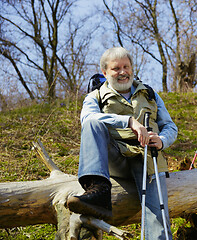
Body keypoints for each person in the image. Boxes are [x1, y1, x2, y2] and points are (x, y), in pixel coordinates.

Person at [67, 46, 177, 239]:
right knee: (93, 123)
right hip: (114, 157)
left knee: (158, 221)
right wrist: (127, 121)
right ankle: (98, 190)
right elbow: (87, 118)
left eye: (126, 66)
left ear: (132, 68)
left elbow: (170, 126)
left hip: (147, 157)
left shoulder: (149, 94)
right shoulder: (96, 96)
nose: (122, 72)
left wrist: (162, 140)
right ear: (105, 72)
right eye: (116, 68)